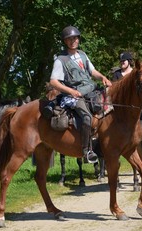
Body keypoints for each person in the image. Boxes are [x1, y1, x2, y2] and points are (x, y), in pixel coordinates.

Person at [49, 26, 112, 163]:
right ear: (65, 41)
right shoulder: (61, 60)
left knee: (108, 109)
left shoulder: (82, 55)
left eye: (75, 38)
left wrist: (102, 77)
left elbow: (92, 71)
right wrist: (71, 91)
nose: (73, 41)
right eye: (69, 39)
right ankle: (86, 150)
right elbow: (53, 82)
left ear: (78, 39)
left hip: (90, 89)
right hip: (73, 95)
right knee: (87, 117)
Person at [112, 52, 142, 135]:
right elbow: (114, 87)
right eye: (121, 61)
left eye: (123, 61)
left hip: (135, 98)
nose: (122, 63)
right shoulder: (117, 74)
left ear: (129, 61)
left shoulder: (135, 73)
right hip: (122, 100)